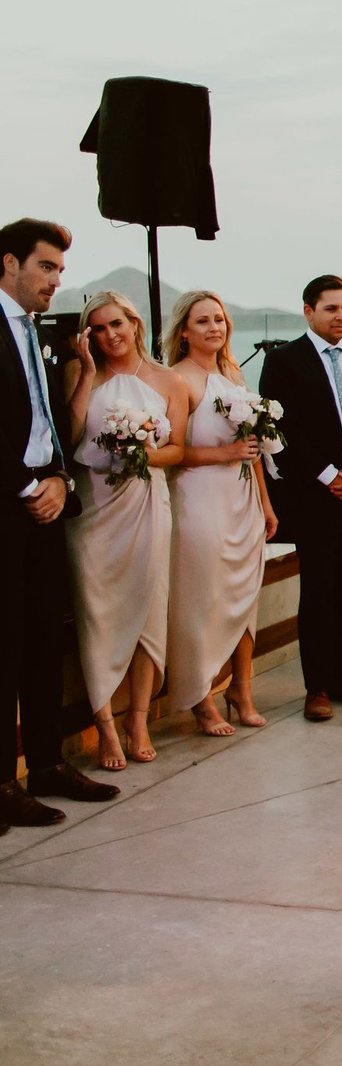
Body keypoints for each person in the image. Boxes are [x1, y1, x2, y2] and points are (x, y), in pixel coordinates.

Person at [0, 218, 120, 826]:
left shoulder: (41, 333)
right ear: (8, 262)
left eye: (60, 271)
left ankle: (46, 764)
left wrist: (58, 481)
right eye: (46, 267)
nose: (56, 280)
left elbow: (48, 425)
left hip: (47, 506)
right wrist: (27, 485)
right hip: (6, 509)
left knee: (45, 640)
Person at [260, 275, 342, 722]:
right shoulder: (285, 361)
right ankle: (316, 686)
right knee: (318, 592)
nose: (340, 316)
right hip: (318, 496)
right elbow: (283, 427)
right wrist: (329, 475)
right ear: (308, 310)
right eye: (331, 308)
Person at [64, 291, 187, 770]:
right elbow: (69, 438)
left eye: (115, 324)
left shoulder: (168, 380)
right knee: (97, 616)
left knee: (149, 614)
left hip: (146, 503)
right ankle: (105, 727)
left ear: (134, 322)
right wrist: (89, 376)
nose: (108, 335)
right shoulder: (80, 374)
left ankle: (137, 719)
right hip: (93, 511)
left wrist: (140, 455)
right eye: (96, 328)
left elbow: (177, 449)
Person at [166, 290, 277, 738]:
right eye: (203, 321)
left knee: (244, 600)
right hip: (198, 501)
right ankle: (201, 698)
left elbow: (253, 450)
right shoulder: (177, 380)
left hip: (242, 501)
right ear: (184, 331)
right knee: (203, 602)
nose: (215, 327)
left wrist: (266, 505)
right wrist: (224, 453)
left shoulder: (234, 376)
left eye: (220, 319)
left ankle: (242, 692)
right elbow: (172, 451)